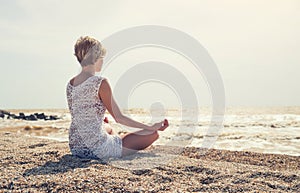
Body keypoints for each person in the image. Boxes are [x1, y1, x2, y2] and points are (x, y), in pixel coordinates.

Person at [66, 36, 169, 159]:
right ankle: (117, 143)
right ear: (96, 57)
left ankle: (114, 139)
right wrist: (150, 126)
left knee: (107, 126)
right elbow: (119, 118)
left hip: (76, 147)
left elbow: (79, 116)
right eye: (102, 57)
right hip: (97, 149)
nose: (103, 61)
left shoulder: (70, 84)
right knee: (153, 134)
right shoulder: (100, 82)